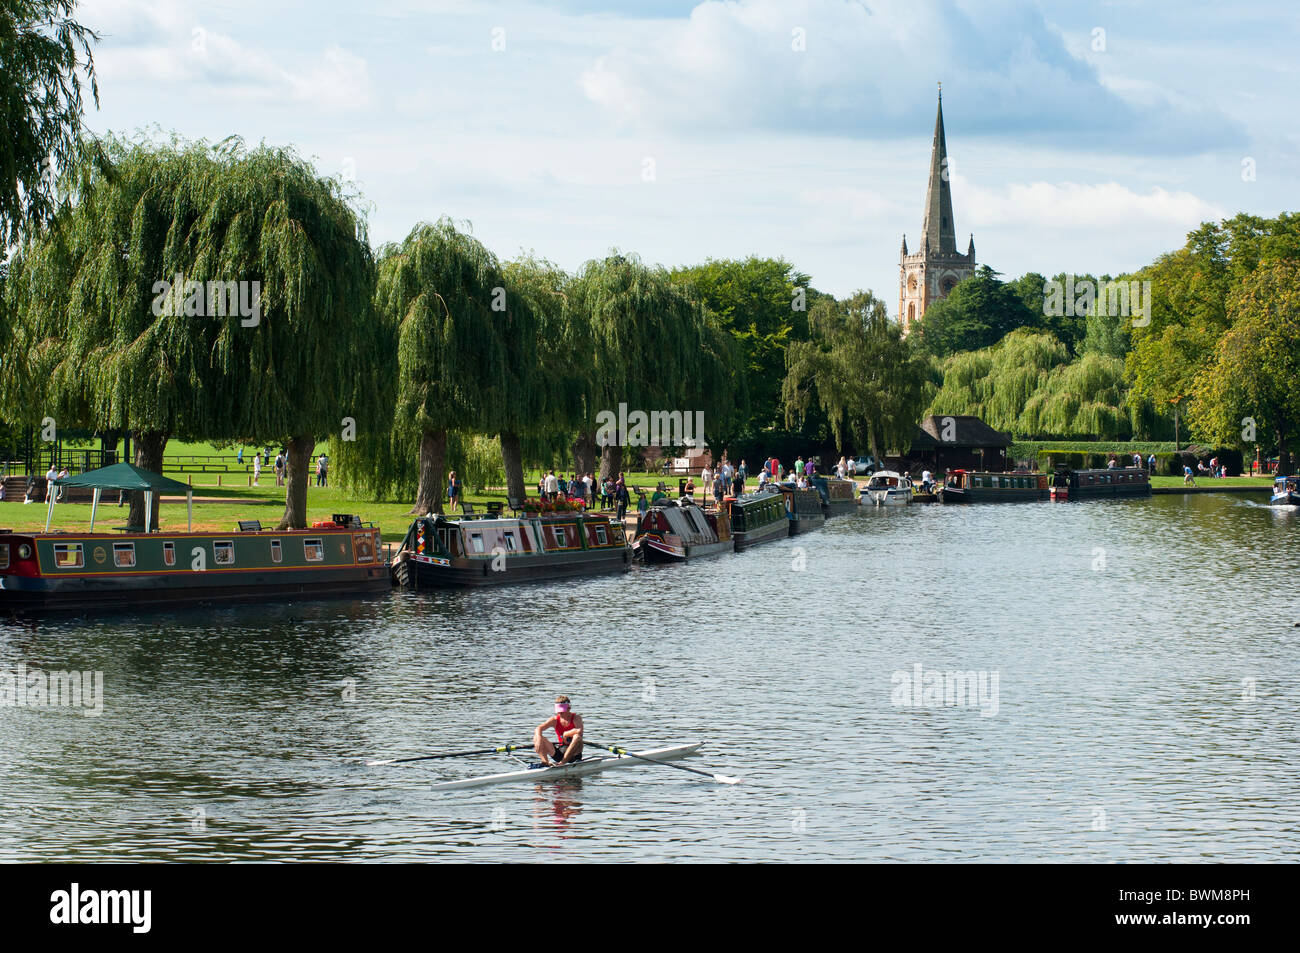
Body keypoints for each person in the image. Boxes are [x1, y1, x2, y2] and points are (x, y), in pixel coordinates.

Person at [533, 695, 584, 767]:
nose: (560, 713)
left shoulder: (576, 718)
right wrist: (538, 738)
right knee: (537, 736)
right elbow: (538, 728)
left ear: (569, 708)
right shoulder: (554, 720)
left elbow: (579, 731)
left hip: (574, 754)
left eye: (562, 711)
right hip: (560, 752)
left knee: (577, 737)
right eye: (558, 711)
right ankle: (545, 763)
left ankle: (563, 762)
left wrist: (566, 734)